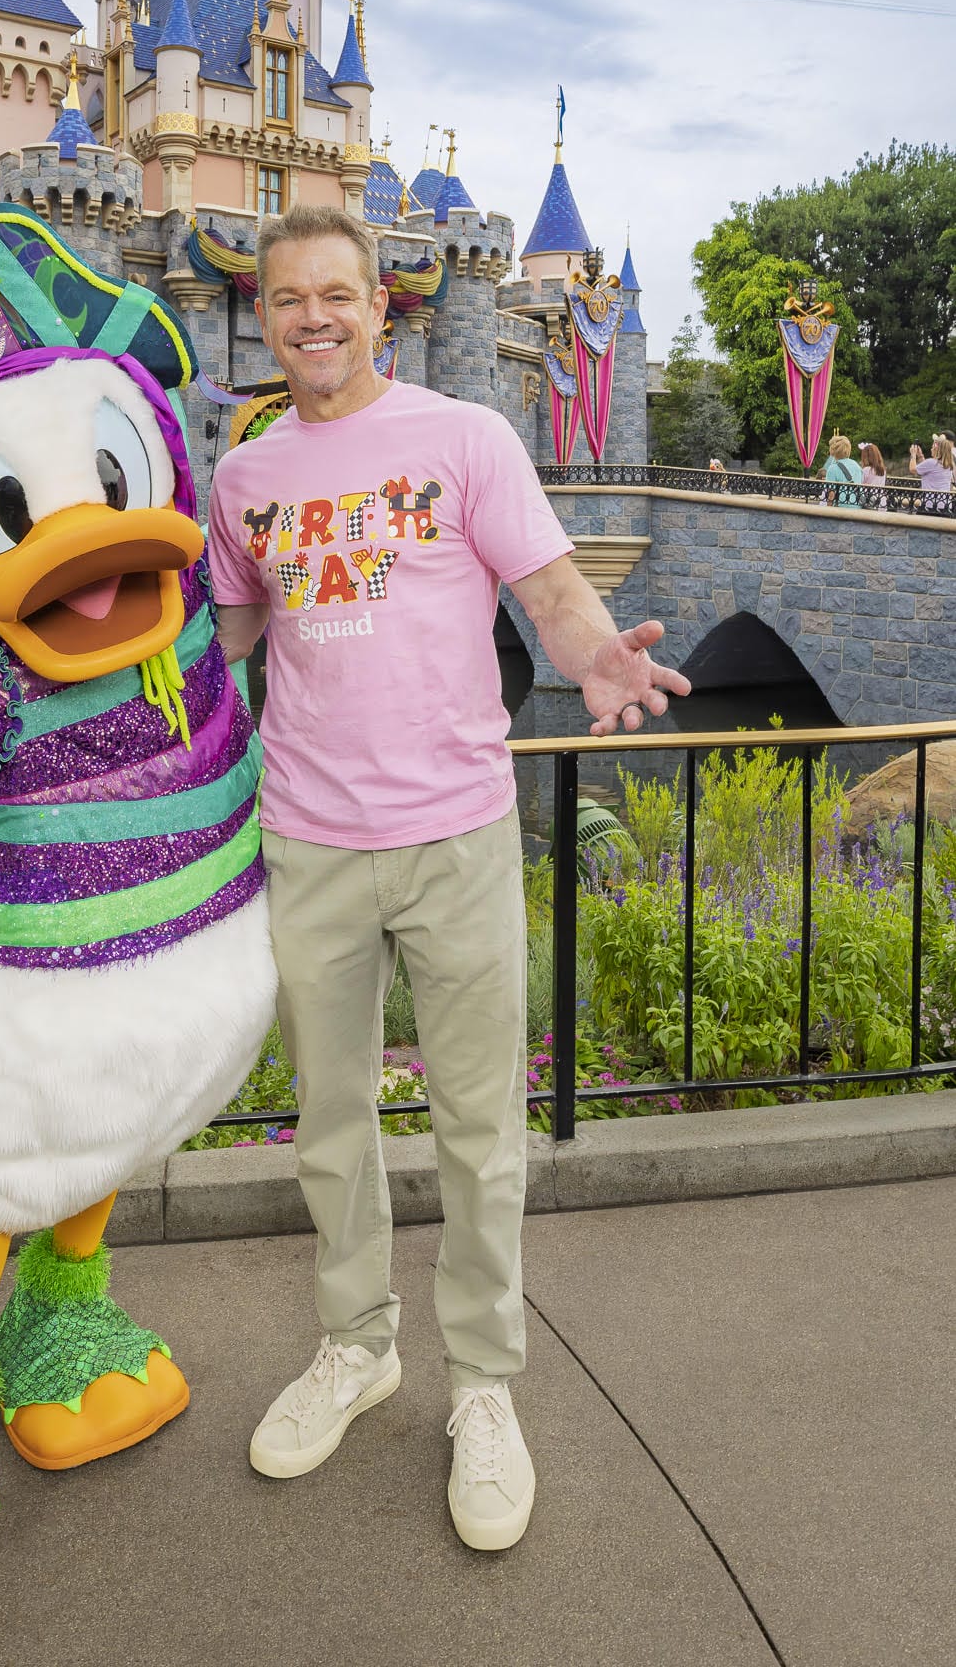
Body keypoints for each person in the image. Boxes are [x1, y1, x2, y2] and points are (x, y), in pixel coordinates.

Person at [206, 205, 690, 1554]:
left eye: (337, 294)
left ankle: (482, 1388)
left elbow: (549, 594)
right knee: (329, 1119)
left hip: (457, 833)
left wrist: (598, 653)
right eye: (287, 297)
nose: (313, 316)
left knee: (479, 1131)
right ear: (264, 315)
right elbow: (228, 637)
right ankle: (355, 1348)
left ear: (383, 308)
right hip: (308, 837)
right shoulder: (244, 480)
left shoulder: (464, 438)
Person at [909, 435, 954, 509]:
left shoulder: (932, 463)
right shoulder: (948, 464)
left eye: (932, 447)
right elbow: (926, 470)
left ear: (937, 450)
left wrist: (913, 455)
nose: (931, 449)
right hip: (945, 505)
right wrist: (920, 456)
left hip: (930, 505)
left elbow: (912, 469)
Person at [822, 434, 861, 507]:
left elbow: (831, 494)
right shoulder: (857, 466)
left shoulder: (832, 468)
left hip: (840, 507)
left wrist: (827, 510)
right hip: (856, 506)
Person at [859, 442, 887, 509]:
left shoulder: (866, 470)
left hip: (869, 501)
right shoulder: (883, 470)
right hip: (881, 500)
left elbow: (859, 485)